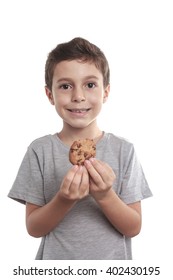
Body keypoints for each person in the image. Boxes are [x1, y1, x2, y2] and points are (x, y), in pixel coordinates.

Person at [8, 37, 152, 260]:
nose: (78, 96)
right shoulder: (40, 151)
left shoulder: (124, 150)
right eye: (65, 86)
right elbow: (33, 228)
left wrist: (105, 195)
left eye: (90, 85)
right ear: (49, 95)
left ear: (105, 92)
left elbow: (133, 227)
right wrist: (64, 199)